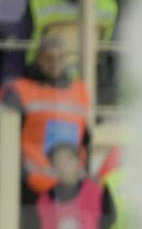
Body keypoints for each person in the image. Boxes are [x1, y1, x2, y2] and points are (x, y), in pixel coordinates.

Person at [1, 36, 89, 197]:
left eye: (60, 58)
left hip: (70, 188)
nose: (55, 63)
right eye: (49, 58)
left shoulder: (80, 91)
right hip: (30, 186)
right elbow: (6, 139)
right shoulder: (17, 91)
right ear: (38, 59)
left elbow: (85, 139)